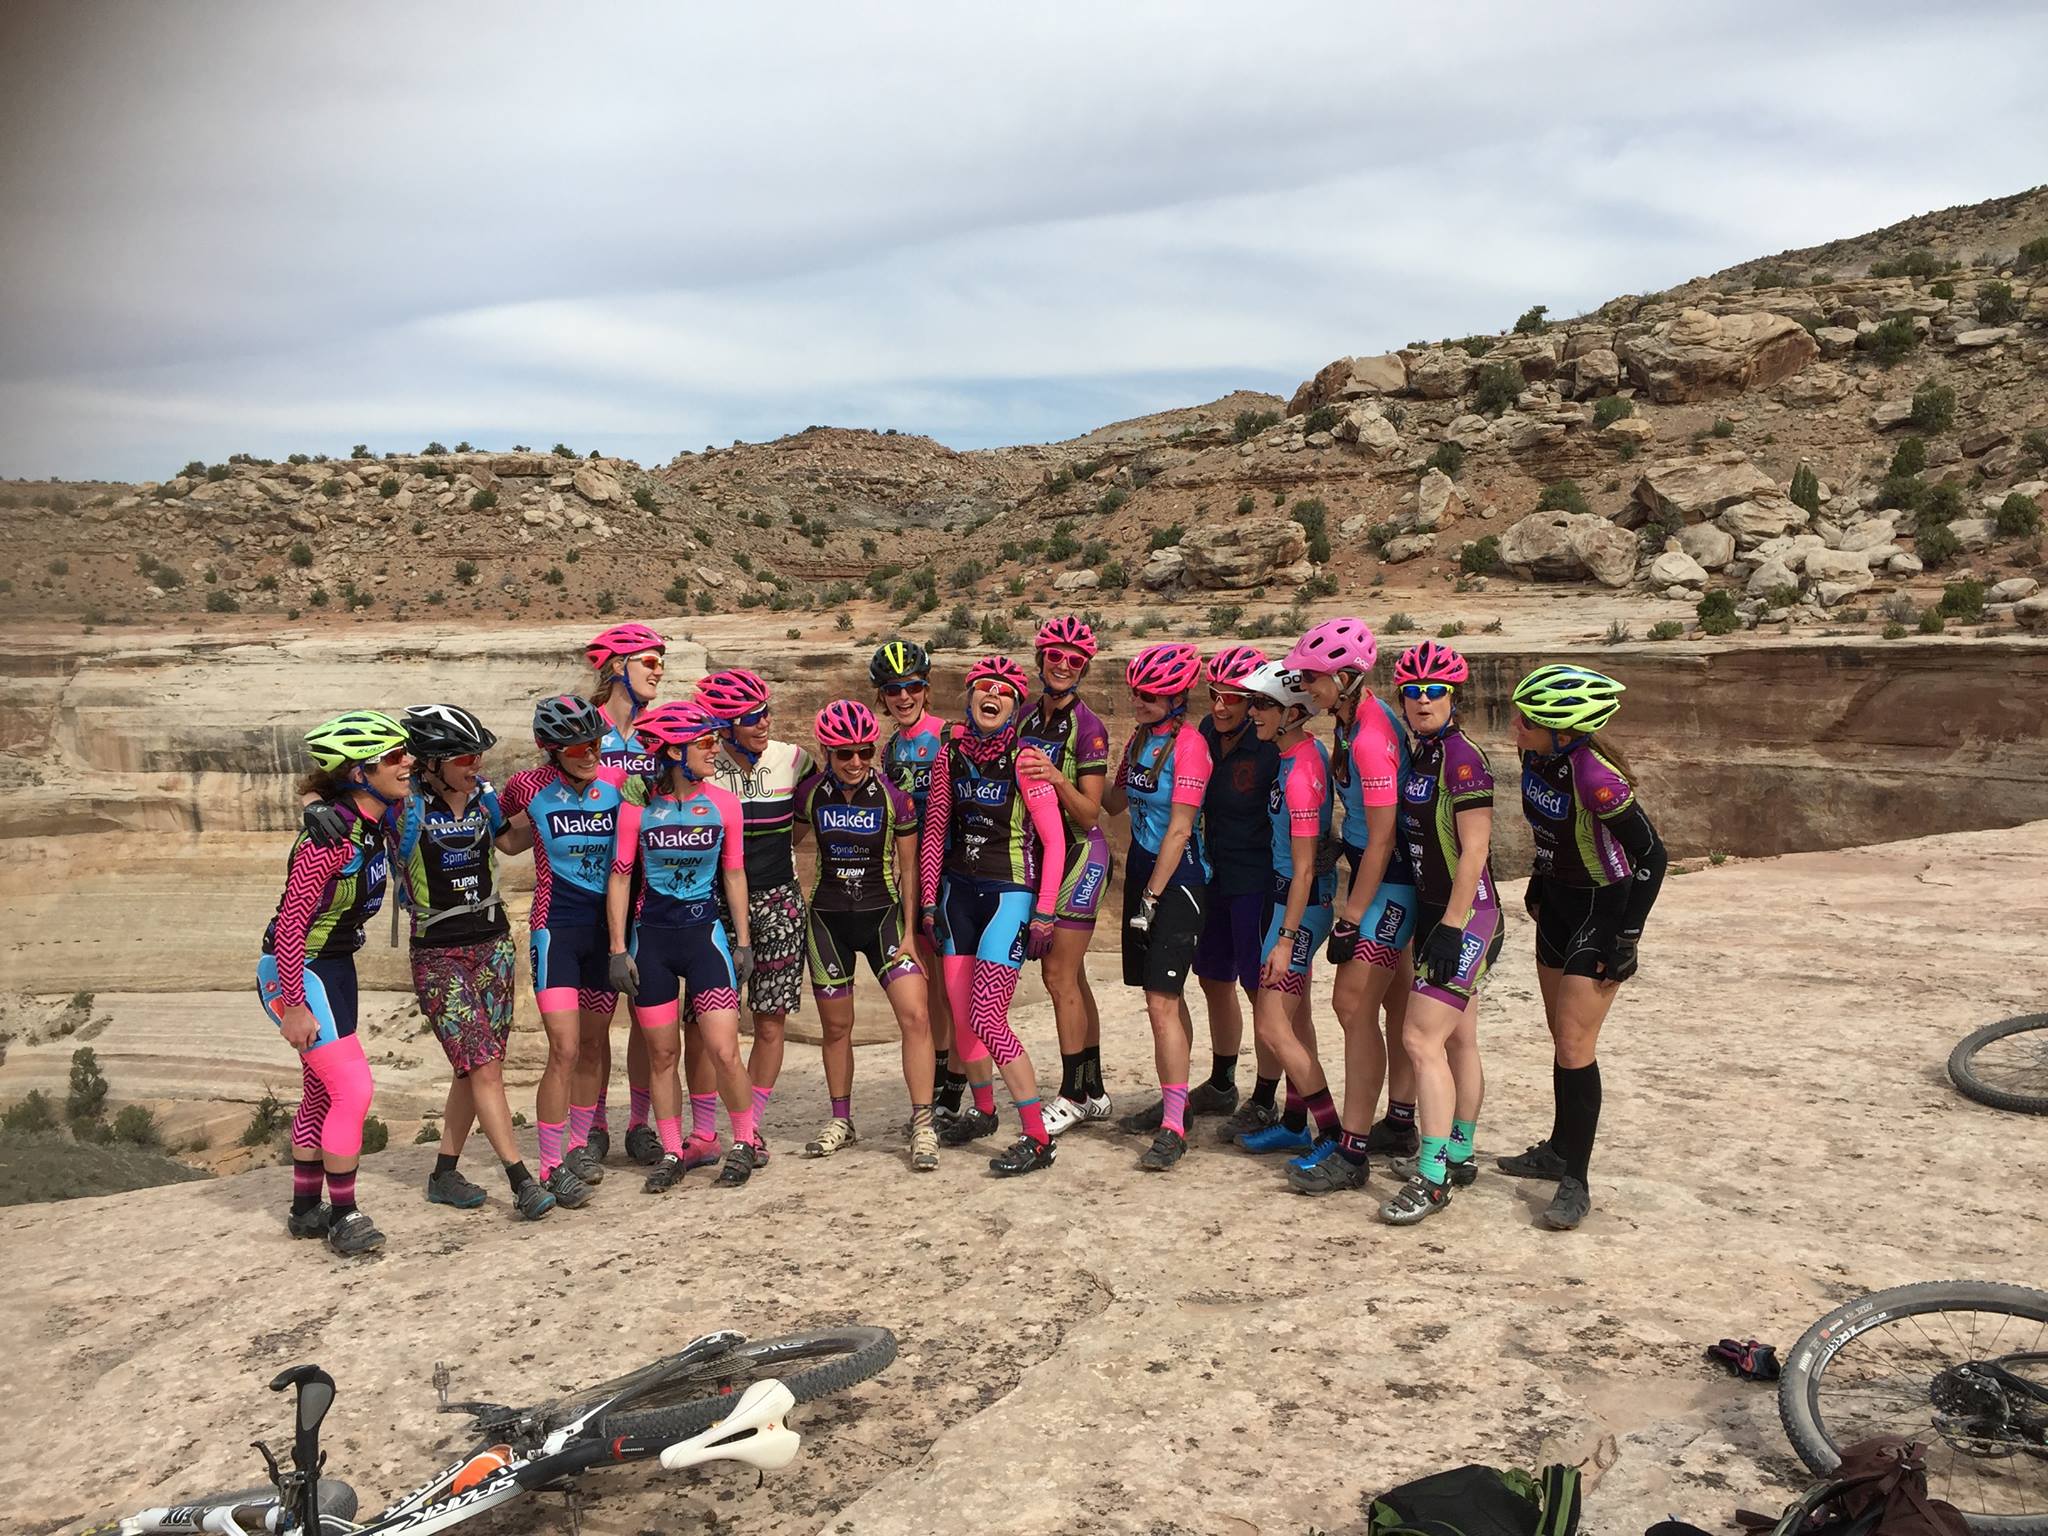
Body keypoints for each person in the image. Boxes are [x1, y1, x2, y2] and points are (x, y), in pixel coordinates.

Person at [1497, 664, 1666, 1230]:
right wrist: (1539, 879)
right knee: (1560, 1034)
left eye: (1527, 721)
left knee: (1575, 1044)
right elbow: (1550, 832)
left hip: (1601, 909)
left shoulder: (1595, 777)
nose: (1515, 725)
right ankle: (1557, 1149)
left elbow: (1653, 856)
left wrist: (1628, 937)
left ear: (1562, 731)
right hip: (1558, 905)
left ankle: (1577, 1180)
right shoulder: (1536, 757)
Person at [391, 704, 554, 1221]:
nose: (476, 764)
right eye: (465, 757)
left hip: (494, 944)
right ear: (433, 762)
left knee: (478, 1066)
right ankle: (521, 1181)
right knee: (481, 1064)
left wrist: (552, 807)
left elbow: (509, 842)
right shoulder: (405, 807)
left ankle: (444, 1173)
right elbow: (342, 803)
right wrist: (316, 808)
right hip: (439, 953)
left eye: (478, 755)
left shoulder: (483, 797)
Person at [258, 711, 408, 1257]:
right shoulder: (327, 840)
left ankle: (305, 1209)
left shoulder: (376, 818)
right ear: (359, 772)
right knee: (353, 1090)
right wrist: (295, 1006)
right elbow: (291, 926)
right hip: (297, 967)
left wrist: (315, 799)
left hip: (336, 965)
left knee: (322, 1092)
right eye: (394, 756)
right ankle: (344, 1215)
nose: (408, 763)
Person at [1118, 645, 1281, 1142]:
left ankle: (1266, 1097)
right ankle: (1223, 1083)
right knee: (1214, 979)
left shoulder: (1269, 745)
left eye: (1234, 697)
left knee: (1259, 991)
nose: (1221, 706)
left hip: (1254, 877)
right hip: (1212, 875)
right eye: (1215, 695)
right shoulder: (1206, 732)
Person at [1282, 619, 1420, 1197]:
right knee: (1396, 1002)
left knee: (1352, 1005)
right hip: (1382, 872)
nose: (1305, 688)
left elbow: (1383, 837)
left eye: (1312, 678)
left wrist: (1350, 917)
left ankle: (1353, 1150)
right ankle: (1401, 1123)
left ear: (1344, 677)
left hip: (1388, 879)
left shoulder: (1366, 736)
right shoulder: (1356, 718)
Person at [917, 655, 1070, 1176]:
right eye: (984, 687)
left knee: (987, 1015)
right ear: (969, 696)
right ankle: (983, 1111)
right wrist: (928, 901)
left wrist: (1044, 912)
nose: (993, 696)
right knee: (962, 1014)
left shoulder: (1026, 760)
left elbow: (1053, 842)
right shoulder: (950, 755)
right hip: (958, 895)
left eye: (1004, 692)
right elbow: (936, 830)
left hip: (1009, 895)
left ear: (1015, 705)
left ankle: (1038, 1138)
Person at [603, 701, 762, 1191]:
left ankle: (744, 1140)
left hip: (704, 937)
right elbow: (620, 877)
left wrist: (744, 942)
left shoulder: (725, 804)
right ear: (674, 751)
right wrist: (617, 949)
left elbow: (734, 873)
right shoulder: (637, 806)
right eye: (705, 743)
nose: (715, 750)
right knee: (663, 1055)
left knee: (724, 1050)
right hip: (651, 940)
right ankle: (673, 1149)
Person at [498, 694, 639, 1207]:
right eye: (578, 746)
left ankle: (579, 1145)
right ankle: (549, 1164)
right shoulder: (528, 786)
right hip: (554, 928)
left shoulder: (618, 783)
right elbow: (502, 835)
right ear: (552, 750)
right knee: (564, 1047)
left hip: (606, 934)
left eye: (595, 743)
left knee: (594, 1045)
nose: (590, 753)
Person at [1379, 642, 1501, 1227]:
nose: (1422, 700)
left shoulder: (1461, 758)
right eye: (1412, 691)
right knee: (1459, 1040)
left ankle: (1432, 1179)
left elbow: (1474, 851)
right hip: (1436, 911)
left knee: (1419, 1039)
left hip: (1466, 916)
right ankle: (1460, 1151)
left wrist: (1451, 927)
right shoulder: (1422, 753)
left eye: (1435, 691)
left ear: (1454, 697)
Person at [794, 699, 939, 1172]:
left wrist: (912, 932)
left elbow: (910, 868)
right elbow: (783, 843)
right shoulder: (809, 795)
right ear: (826, 752)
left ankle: (923, 1123)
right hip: (827, 921)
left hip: (885, 920)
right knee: (837, 1029)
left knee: (916, 1016)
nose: (855, 762)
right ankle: (842, 1120)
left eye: (865, 751)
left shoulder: (895, 797)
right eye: (844, 753)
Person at [692, 668, 816, 1166]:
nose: (763, 723)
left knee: (770, 1021)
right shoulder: (703, 764)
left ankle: (751, 1128)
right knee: (703, 1026)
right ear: (725, 726)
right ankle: (704, 1131)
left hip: (779, 900)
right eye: (750, 717)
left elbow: (805, 819)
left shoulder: (794, 759)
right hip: (714, 907)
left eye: (765, 712)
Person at [1103, 643, 1212, 1172]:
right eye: (1136, 693)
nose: (1139, 701)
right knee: (1166, 997)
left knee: (1159, 1001)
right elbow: (1113, 804)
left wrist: (1150, 898)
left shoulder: (1189, 747)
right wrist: (1058, 776)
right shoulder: (1141, 739)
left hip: (1178, 880)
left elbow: (1180, 828)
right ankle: (1179, 1102)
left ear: (1176, 698)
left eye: (1149, 695)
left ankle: (1173, 1128)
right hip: (1145, 872)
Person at [1235, 662, 1344, 1160]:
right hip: (1296, 902)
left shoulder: (1300, 772)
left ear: (1294, 713)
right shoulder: (1298, 753)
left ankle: (1332, 1135)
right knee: (1296, 1024)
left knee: (1272, 1026)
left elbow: (1302, 869)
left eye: (1263, 705)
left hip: (1298, 908)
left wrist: (1285, 938)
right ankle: (1297, 1123)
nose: (1252, 713)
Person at [1016, 616, 1114, 1134]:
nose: (1063, 664)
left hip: (1080, 855)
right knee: (1072, 978)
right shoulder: (1024, 716)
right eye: (1056, 655)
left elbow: (1091, 813)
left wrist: (1056, 777)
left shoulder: (1088, 727)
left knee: (1057, 977)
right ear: (1041, 658)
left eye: (1075, 660)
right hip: (1040, 854)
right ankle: (1093, 1089)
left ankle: (1072, 1094)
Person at [584, 621, 673, 1170]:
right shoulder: (583, 726)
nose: (659, 672)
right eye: (650, 662)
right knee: (593, 1024)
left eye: (661, 662)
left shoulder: (656, 732)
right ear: (618, 666)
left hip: (647, 886)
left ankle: (639, 1123)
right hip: (589, 886)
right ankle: (593, 1124)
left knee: (645, 1015)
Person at [872, 639, 957, 1116]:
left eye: (912, 687)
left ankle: (957, 1082)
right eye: (892, 689)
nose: (903, 697)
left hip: (955, 872)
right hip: (915, 878)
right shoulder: (888, 750)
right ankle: (941, 1075)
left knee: (954, 985)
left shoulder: (948, 735)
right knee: (931, 984)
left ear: (926, 688)